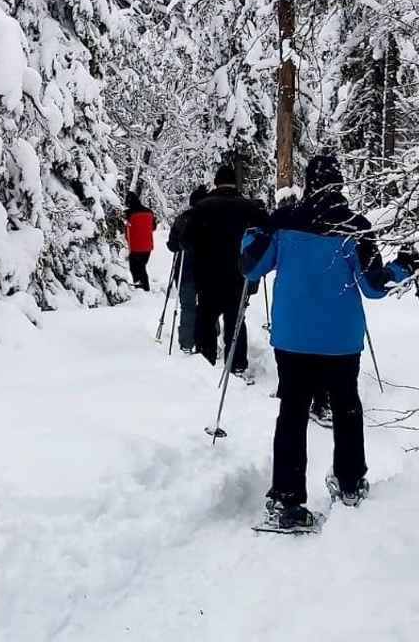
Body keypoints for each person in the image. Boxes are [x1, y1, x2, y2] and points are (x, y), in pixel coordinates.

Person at [241, 154, 417, 529]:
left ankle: (287, 500)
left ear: (308, 183)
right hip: (341, 340)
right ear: (340, 185)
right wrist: (404, 266)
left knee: (292, 413)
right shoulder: (357, 227)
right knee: (347, 408)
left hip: (293, 339)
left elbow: (251, 267)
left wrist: (253, 230)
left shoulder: (284, 222)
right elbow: (373, 287)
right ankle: (351, 484)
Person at [187, 164, 267, 374]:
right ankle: (237, 364)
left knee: (206, 318)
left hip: (207, 274)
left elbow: (186, 241)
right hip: (238, 274)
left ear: (216, 182)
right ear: (235, 183)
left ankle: (205, 363)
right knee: (235, 320)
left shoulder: (201, 208)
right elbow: (265, 233)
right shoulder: (248, 208)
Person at [167, 185, 207, 353]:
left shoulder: (182, 219)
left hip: (186, 272)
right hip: (207, 271)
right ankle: (206, 340)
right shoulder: (211, 219)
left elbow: (172, 245)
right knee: (207, 307)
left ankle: (186, 342)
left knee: (188, 306)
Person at [124, 191, 157, 291]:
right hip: (148, 247)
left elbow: (126, 229)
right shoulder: (149, 212)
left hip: (135, 247)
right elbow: (153, 227)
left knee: (135, 269)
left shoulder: (129, 214)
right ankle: (142, 289)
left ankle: (143, 290)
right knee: (141, 267)